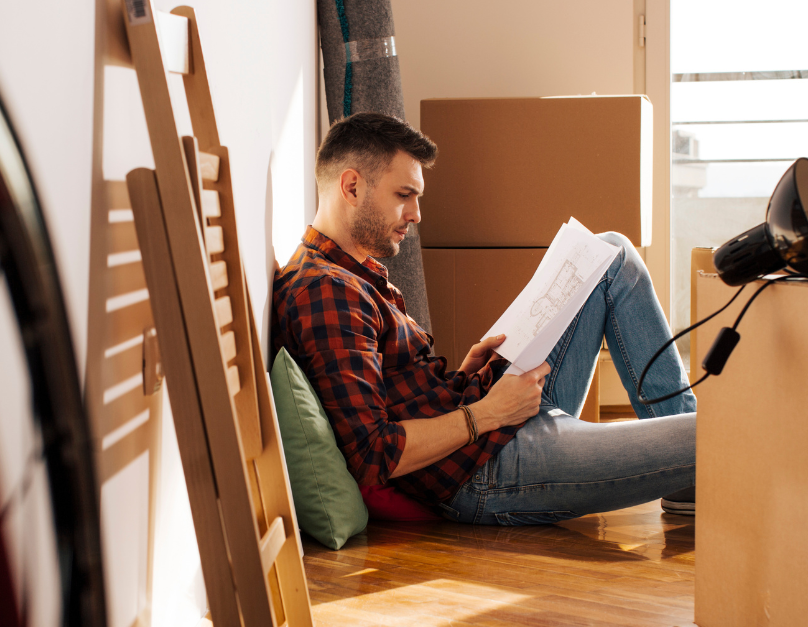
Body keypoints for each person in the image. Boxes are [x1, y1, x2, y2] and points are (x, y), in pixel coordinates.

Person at [272, 112, 698, 525]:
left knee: (610, 252)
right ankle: (698, 472)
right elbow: (374, 454)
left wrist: (464, 377)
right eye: (404, 195)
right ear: (351, 186)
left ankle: (688, 484)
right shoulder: (327, 291)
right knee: (715, 433)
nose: (416, 214)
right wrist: (488, 413)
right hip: (484, 472)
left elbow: (395, 392)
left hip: (489, 422)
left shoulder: (350, 271)